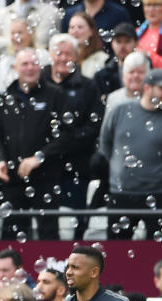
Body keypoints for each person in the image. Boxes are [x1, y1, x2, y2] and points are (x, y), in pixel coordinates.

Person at [100, 68, 162, 240]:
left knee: (161, 253)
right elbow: (105, 143)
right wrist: (117, 169)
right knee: (116, 251)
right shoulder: (120, 111)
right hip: (121, 194)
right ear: (148, 88)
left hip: (159, 195)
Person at [0, 47, 71, 239]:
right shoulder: (4, 99)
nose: (30, 68)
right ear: (15, 68)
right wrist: (0, 161)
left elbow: (66, 135)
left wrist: (38, 157)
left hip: (46, 179)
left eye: (34, 63)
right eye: (25, 64)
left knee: (48, 235)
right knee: (12, 236)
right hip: (13, 180)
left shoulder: (56, 95)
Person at [43, 33, 102, 214]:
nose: (62, 58)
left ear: (76, 57)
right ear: (50, 55)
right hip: (43, 170)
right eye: (58, 53)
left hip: (76, 169)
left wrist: (64, 143)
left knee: (76, 223)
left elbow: (93, 126)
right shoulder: (38, 84)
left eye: (68, 54)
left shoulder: (89, 87)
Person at [93, 21, 137, 96]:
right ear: (112, 44)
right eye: (118, 41)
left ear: (136, 43)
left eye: (127, 41)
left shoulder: (145, 70)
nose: (122, 46)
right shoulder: (102, 76)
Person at [66, 11, 106, 79]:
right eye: (72, 27)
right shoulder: (63, 58)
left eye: (80, 27)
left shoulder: (102, 59)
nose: (75, 31)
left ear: (91, 31)